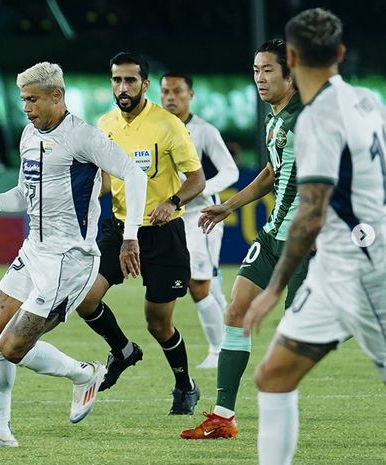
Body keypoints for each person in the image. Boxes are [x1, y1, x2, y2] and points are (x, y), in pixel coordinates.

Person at [0, 61, 147, 448]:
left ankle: (84, 373)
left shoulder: (83, 138)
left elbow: (135, 174)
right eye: (23, 100)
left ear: (57, 96)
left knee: (12, 346)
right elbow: (26, 194)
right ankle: (1, 432)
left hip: (68, 260)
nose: (26, 108)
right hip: (34, 252)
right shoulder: (28, 135)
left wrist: (130, 236)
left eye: (32, 100)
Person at [243, 9, 386, 464]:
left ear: (292, 57)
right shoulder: (368, 100)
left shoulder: (318, 118)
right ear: (341, 53)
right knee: (274, 375)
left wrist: (274, 289)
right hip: (333, 271)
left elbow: (311, 212)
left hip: (366, 273)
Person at [180, 38, 310, 439]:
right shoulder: (275, 118)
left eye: (268, 70)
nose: (260, 78)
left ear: (290, 73)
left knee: (297, 333)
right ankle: (223, 416)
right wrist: (229, 206)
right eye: (256, 70)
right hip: (273, 237)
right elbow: (272, 173)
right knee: (236, 311)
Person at [75, 52, 205, 415]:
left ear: (145, 84)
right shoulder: (104, 125)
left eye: (130, 80)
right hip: (118, 228)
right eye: (117, 80)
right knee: (84, 298)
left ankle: (184, 385)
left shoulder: (168, 126)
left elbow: (197, 178)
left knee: (158, 323)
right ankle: (123, 350)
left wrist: (173, 200)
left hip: (162, 233)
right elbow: (102, 180)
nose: (123, 87)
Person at [160, 72, 239, 369]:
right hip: (169, 214)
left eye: (177, 91)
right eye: (165, 91)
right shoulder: (157, 128)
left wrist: (201, 190)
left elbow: (230, 171)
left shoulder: (203, 131)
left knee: (199, 282)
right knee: (209, 283)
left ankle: (219, 351)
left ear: (190, 94)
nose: (170, 97)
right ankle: (232, 342)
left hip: (200, 217)